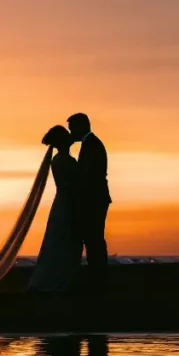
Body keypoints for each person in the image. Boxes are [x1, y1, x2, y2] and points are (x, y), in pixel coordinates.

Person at [28, 125, 83, 292]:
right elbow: (67, 184)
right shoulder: (62, 160)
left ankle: (63, 278)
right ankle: (60, 280)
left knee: (62, 240)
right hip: (67, 204)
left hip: (64, 202)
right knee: (63, 239)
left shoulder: (62, 159)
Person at [67, 112, 112, 293]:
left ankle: (98, 276)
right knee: (93, 238)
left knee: (94, 238)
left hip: (94, 200)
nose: (71, 134)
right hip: (96, 199)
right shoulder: (91, 144)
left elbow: (90, 176)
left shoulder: (92, 145)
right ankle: (98, 274)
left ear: (80, 127)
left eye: (72, 130)